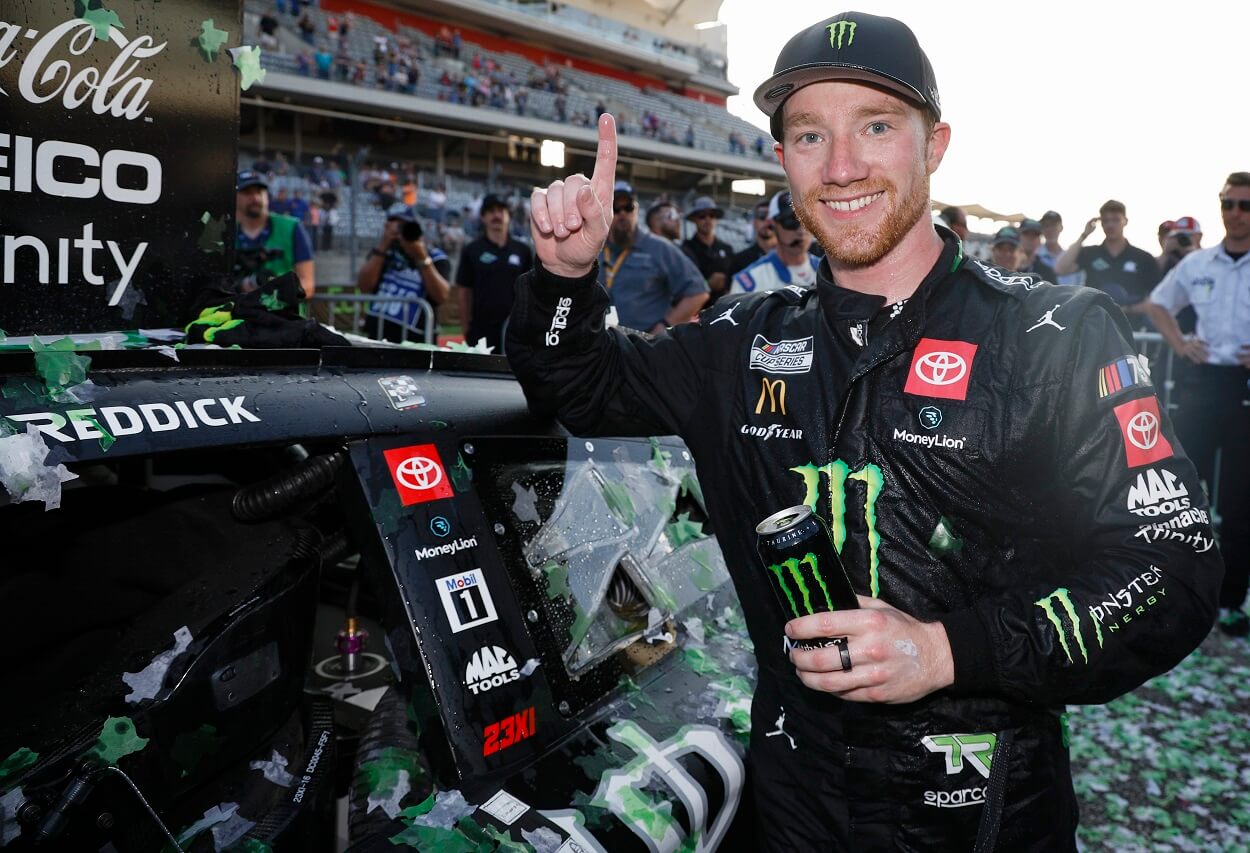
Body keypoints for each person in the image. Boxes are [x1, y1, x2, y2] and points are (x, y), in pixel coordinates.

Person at [506, 12, 1220, 851]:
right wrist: (564, 274)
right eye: (811, 135)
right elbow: (576, 381)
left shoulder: (1054, 335)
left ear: (936, 143)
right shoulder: (740, 342)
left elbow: (1172, 565)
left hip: (989, 810)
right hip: (794, 802)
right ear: (783, 159)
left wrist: (946, 649)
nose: (841, 167)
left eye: (875, 126)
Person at [1146, 172, 1250, 637]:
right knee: (1183, 493)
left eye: (1245, 205)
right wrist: (1180, 343)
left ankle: (1231, 603)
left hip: (1245, 388)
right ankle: (1173, 594)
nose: (1235, 213)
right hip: (1202, 385)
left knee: (1241, 502)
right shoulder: (1198, 263)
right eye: (1228, 203)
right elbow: (1157, 304)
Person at [596, 181, 707, 333]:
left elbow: (698, 292)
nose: (622, 213)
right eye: (615, 208)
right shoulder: (595, 248)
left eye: (628, 207)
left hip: (643, 346)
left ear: (636, 210)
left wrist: (666, 326)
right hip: (601, 342)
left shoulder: (659, 248)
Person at [1054, 200, 1162, 327]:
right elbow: (1060, 269)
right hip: (1095, 327)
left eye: (1115, 220)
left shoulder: (1143, 258)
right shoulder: (1090, 253)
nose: (1110, 225)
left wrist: (1127, 309)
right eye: (1105, 221)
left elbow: (1158, 297)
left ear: (1125, 221)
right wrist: (1084, 235)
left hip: (1132, 330)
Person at [356, 203, 449, 343]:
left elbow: (441, 296)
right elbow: (363, 286)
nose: (400, 231)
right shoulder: (382, 254)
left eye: (404, 225)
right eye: (395, 225)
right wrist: (383, 245)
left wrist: (422, 258)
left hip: (416, 343)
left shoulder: (436, 257)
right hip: (377, 336)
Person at [455, 194, 533, 351]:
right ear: (483, 217)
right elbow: (464, 291)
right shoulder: (472, 250)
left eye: (501, 211)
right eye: (491, 211)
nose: (496, 215)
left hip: (515, 328)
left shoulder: (523, 250)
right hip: (480, 329)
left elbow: (531, 291)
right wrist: (466, 328)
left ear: (509, 216)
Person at [234, 169, 316, 298]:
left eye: (259, 191)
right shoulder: (226, 232)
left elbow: (308, 284)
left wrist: (276, 290)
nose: (255, 198)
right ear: (235, 197)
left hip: (283, 315)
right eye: (247, 193)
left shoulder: (292, 227)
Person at [730, 190, 819, 294]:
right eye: (791, 221)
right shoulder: (751, 282)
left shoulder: (832, 272)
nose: (801, 230)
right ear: (773, 224)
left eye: (807, 221)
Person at [681, 196, 735, 300]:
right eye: (702, 216)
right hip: (697, 308)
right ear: (694, 219)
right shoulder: (686, 248)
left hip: (725, 307)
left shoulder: (727, 248)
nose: (708, 219)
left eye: (712, 215)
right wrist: (707, 284)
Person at [729, 200, 778, 275]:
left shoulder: (791, 256)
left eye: (771, 217)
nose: (768, 221)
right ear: (754, 222)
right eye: (762, 216)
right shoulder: (740, 260)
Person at [1037, 209, 1083, 285]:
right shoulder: (1034, 257)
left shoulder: (1070, 258)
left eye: (1053, 225)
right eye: (1046, 226)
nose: (1049, 229)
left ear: (1061, 227)